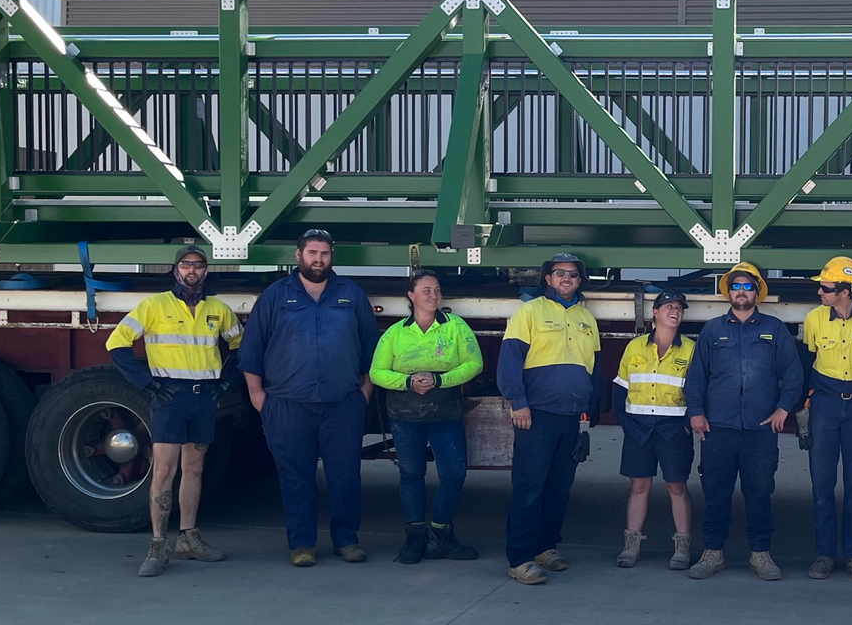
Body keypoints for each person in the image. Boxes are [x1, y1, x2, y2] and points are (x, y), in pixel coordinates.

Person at [239, 230, 380, 566]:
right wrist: (258, 397)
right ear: (298, 255)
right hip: (287, 403)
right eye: (313, 253)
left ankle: (346, 540)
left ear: (332, 257)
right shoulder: (275, 296)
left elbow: (371, 348)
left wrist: (364, 394)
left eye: (325, 254)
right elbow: (252, 350)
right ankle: (301, 544)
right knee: (295, 476)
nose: (319, 260)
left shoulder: (351, 294)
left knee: (345, 475)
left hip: (342, 402)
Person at [107, 243, 243, 577]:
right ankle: (157, 546)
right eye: (185, 265)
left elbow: (242, 346)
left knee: (194, 469)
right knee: (164, 471)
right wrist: (145, 382)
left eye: (198, 265)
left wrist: (227, 382)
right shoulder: (154, 306)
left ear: (206, 270)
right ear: (175, 270)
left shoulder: (218, 309)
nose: (191, 271)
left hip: (203, 399)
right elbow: (117, 343)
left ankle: (188, 538)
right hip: (169, 398)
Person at [683, 262, 802, 581]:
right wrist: (695, 410)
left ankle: (761, 554)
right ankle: (713, 553)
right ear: (728, 293)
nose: (741, 291)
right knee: (715, 492)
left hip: (760, 429)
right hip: (717, 428)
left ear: (757, 292)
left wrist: (783, 409)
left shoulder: (775, 330)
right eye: (735, 286)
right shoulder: (712, 330)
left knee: (759, 492)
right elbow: (696, 376)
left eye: (747, 286)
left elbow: (793, 374)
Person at [498, 252, 602, 585]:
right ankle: (520, 558)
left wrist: (591, 409)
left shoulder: (587, 318)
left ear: (579, 280)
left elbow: (594, 367)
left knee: (559, 487)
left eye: (573, 274)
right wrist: (518, 403)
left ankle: (546, 547)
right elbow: (510, 360)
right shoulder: (529, 312)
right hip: (536, 415)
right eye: (560, 273)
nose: (566, 278)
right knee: (529, 487)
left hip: (571, 417)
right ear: (548, 279)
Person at [370, 270, 483, 566]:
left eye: (437, 290)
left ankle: (442, 535)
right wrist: (408, 382)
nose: (433, 296)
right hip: (405, 414)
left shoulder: (455, 326)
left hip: (446, 411)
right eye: (426, 291)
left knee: (454, 474)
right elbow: (376, 372)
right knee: (410, 475)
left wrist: (440, 379)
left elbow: (475, 363)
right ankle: (414, 538)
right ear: (411, 295)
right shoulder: (395, 333)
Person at [800, 256, 852, 581]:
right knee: (821, 484)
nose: (820, 292)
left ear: (847, 291)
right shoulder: (814, 319)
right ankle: (824, 555)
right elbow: (807, 361)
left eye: (827, 288)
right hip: (825, 406)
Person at [614, 287, 696, 570]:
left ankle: (682, 547)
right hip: (638, 428)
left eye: (680, 308)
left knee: (677, 486)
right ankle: (631, 546)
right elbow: (620, 386)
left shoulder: (691, 349)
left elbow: (698, 391)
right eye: (669, 306)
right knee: (638, 486)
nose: (675, 311)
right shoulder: (634, 347)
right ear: (655, 313)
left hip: (673, 430)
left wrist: (686, 426)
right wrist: (625, 422)